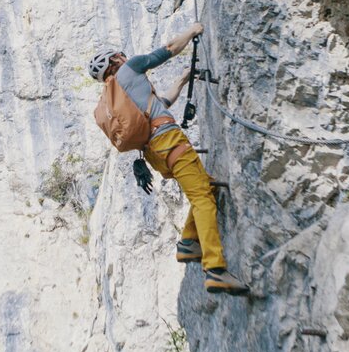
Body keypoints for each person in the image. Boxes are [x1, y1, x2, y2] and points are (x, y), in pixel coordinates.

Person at [88, 23, 249, 295]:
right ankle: (215, 270)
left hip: (156, 153)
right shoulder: (130, 69)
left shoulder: (114, 98)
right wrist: (193, 30)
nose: (125, 58)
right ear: (116, 60)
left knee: (204, 188)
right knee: (202, 198)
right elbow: (170, 49)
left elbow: (162, 102)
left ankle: (189, 242)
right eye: (121, 56)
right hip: (169, 140)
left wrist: (183, 80)